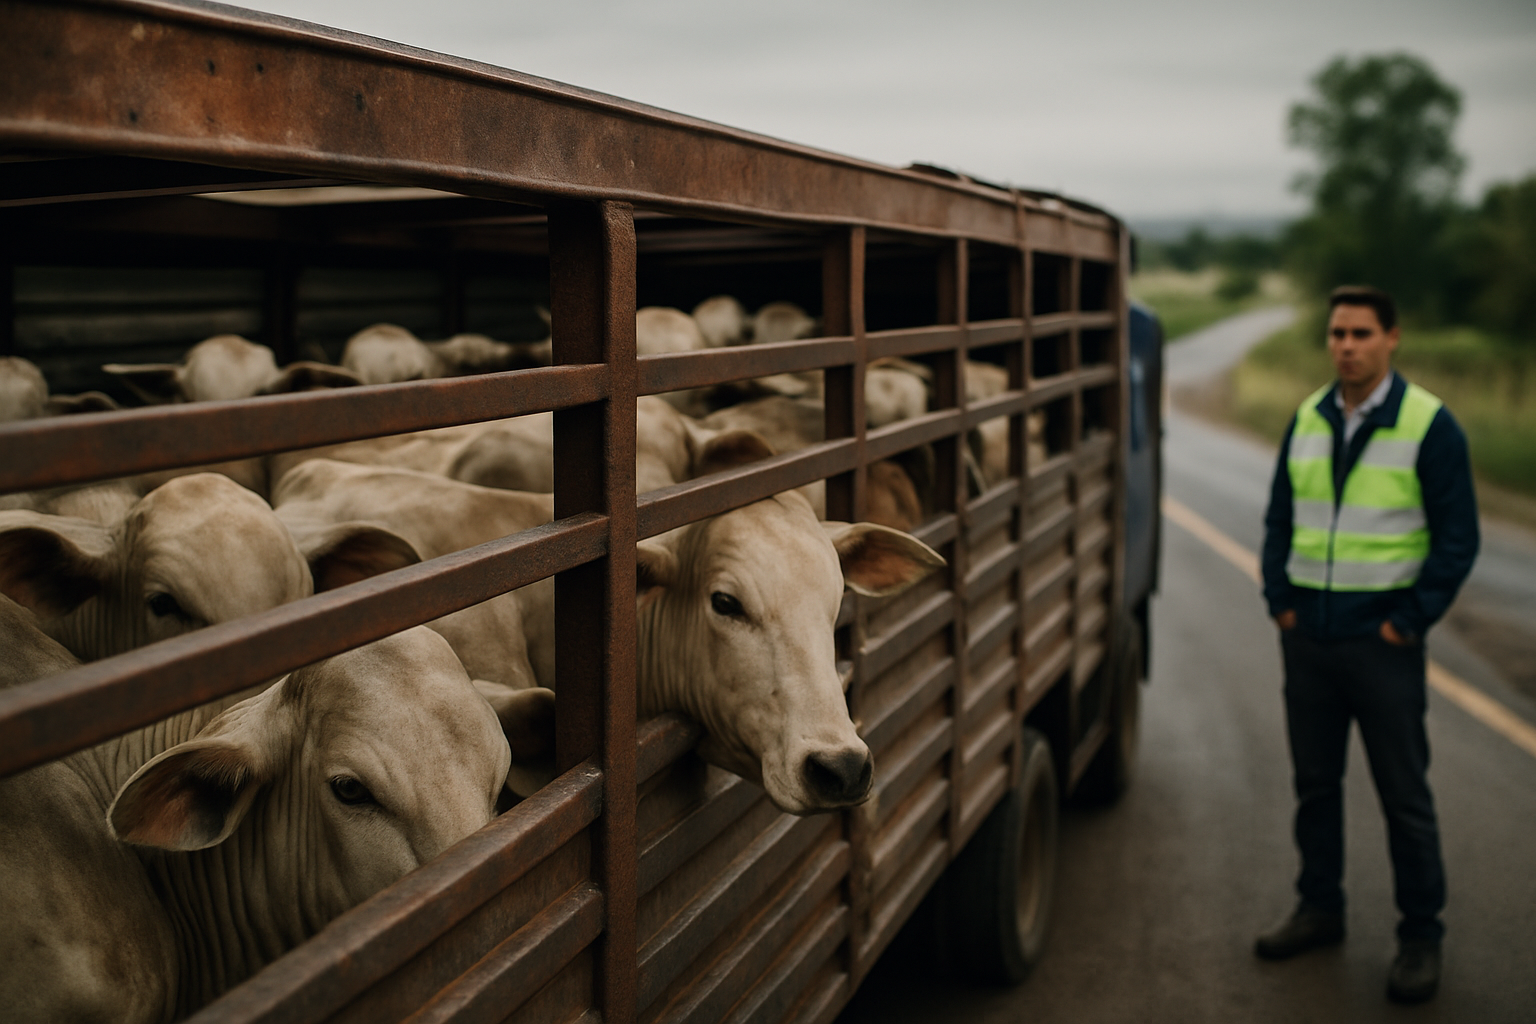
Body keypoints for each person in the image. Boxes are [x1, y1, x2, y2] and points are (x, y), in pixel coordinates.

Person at [1255, 285, 1479, 1003]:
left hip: (1383, 646)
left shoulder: (1429, 425)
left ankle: (1421, 937)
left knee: (1403, 797)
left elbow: (1458, 540)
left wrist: (1407, 623)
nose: (1346, 346)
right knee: (1315, 788)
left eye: (1360, 333)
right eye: (1337, 334)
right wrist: (1280, 603)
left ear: (1392, 338)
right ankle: (1319, 908)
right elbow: (1280, 519)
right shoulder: (1307, 418)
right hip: (1309, 644)